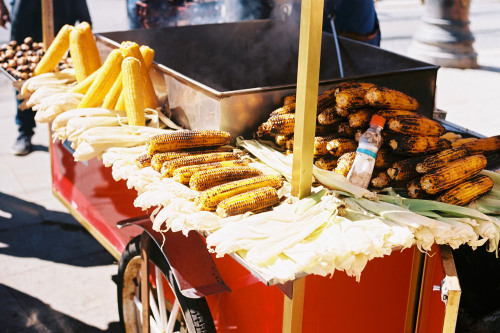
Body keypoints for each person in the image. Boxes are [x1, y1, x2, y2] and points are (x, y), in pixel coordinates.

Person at [0, 0, 92, 156]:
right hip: (26, 6)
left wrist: (82, 11)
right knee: (23, 62)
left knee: (64, 56)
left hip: (62, 5)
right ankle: (25, 130)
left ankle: (66, 131)